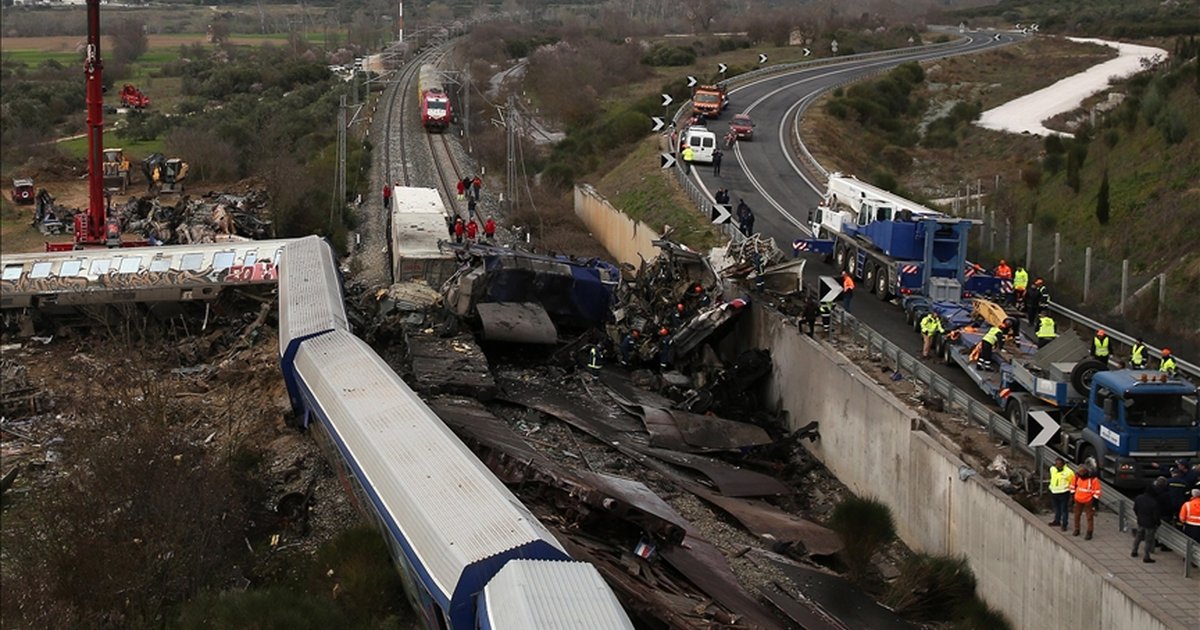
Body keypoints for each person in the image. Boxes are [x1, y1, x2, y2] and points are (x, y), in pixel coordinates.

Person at [1070, 466, 1101, 539]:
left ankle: (1089, 532)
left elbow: (1097, 491)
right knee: (1077, 515)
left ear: (1086, 471)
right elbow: (1072, 486)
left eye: (1082, 472)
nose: (1080, 473)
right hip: (1078, 499)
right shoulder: (1077, 477)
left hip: (1088, 501)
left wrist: (1094, 503)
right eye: (1080, 471)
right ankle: (1077, 529)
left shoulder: (1093, 479)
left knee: (1089, 517)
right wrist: (1073, 497)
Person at [1132, 485, 1160, 562]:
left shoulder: (1138, 498)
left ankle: (1134, 551)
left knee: (1138, 537)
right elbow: (1156, 515)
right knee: (1148, 540)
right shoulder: (1154, 502)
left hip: (1140, 521)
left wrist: (1139, 516)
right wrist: (1157, 523)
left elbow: (1135, 509)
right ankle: (1146, 556)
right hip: (1150, 524)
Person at [1048, 458, 1074, 531]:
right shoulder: (1053, 469)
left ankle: (1064, 524)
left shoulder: (1069, 472)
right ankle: (1057, 521)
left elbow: (1072, 482)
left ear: (1063, 464)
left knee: (1064, 510)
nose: (1057, 465)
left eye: (1059, 464)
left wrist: (1072, 493)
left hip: (1064, 493)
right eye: (1056, 463)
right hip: (1054, 492)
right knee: (1057, 508)